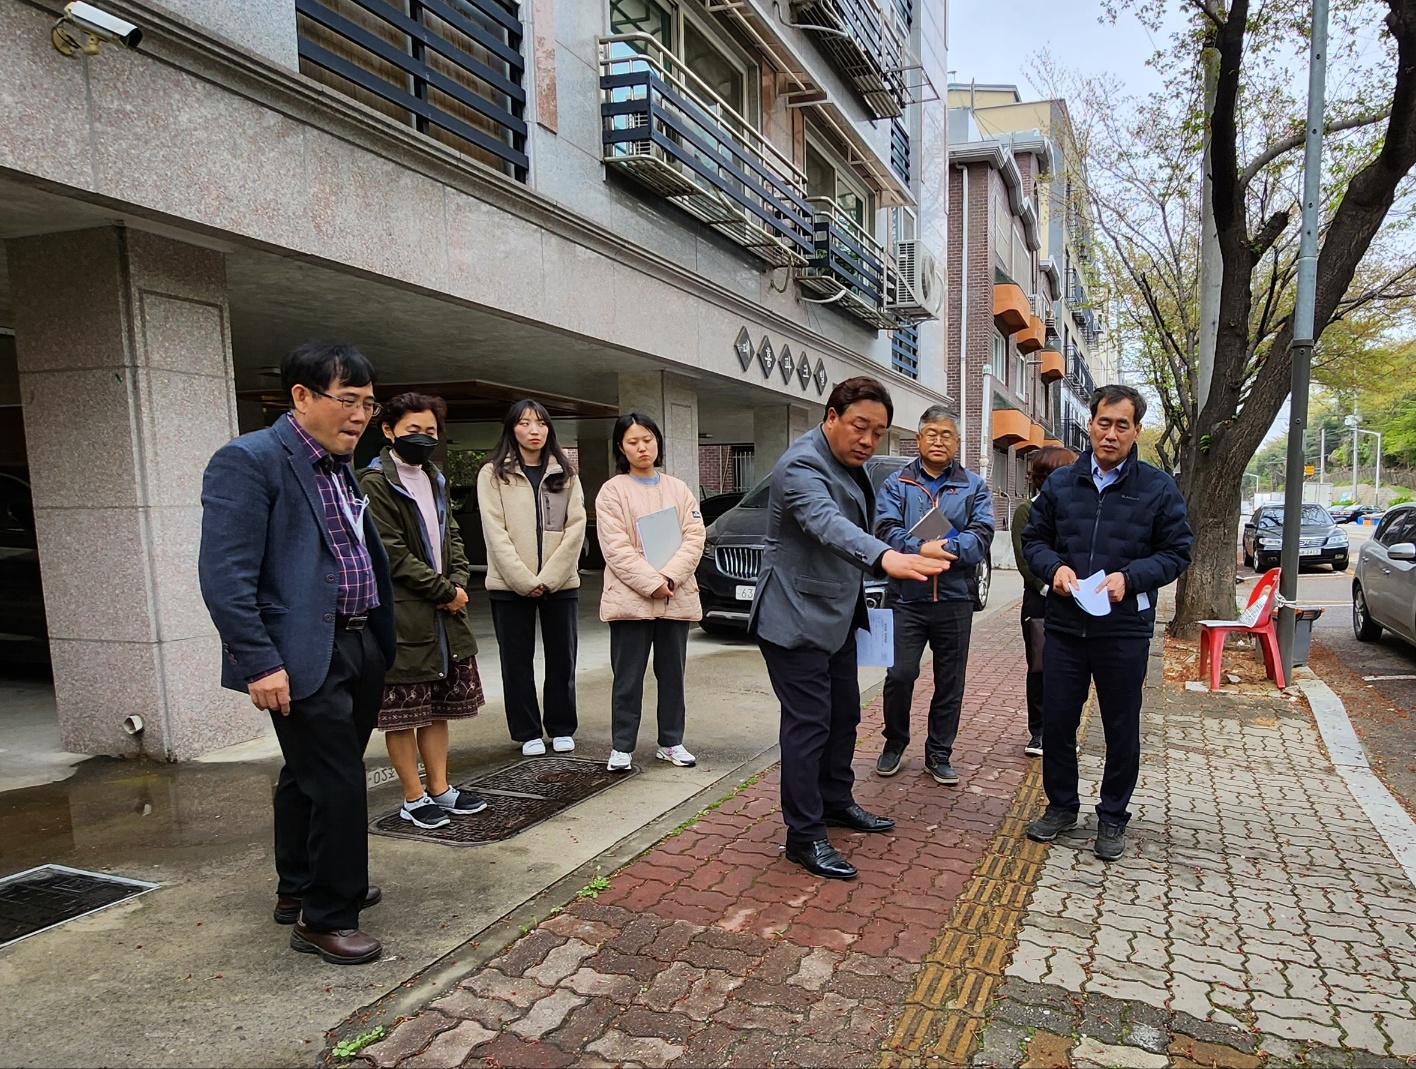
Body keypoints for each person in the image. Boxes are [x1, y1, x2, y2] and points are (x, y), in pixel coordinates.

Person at [199, 341, 395, 965]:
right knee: (337, 778)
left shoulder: (340, 464)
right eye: (348, 401)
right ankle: (326, 915)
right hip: (301, 651)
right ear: (302, 397)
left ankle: (297, 885)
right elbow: (226, 575)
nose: (361, 415)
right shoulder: (248, 461)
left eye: (368, 403)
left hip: (360, 641)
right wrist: (259, 660)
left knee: (307, 772)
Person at [751, 377, 946, 880]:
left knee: (843, 717)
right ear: (831, 415)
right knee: (808, 725)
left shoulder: (848, 463)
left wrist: (909, 545)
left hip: (837, 614)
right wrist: (887, 557)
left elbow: (862, 522)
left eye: (878, 433)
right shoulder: (800, 465)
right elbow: (825, 524)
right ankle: (804, 835)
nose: (867, 440)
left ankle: (836, 802)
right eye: (860, 427)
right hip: (792, 618)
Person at [1022, 384, 1192, 861]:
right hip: (1065, 627)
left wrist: (1131, 579)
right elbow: (1035, 541)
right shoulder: (1061, 484)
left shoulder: (1157, 487)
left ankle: (1113, 815)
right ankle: (1061, 807)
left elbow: (1178, 552)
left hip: (1123, 630)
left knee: (1120, 725)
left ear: (1137, 430)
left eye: (1122, 425)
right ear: (1090, 424)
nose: (1111, 433)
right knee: (1056, 722)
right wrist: (1053, 569)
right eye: (1103, 422)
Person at [360, 393, 488, 830]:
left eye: (431, 431)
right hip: (404, 614)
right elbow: (390, 552)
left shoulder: (435, 477)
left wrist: (457, 581)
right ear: (390, 430)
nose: (423, 438)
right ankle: (412, 796)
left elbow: (451, 534)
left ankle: (440, 787)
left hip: (444, 614)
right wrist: (442, 589)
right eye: (414, 430)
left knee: (436, 709)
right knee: (403, 713)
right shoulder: (374, 483)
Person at [874, 406, 995, 785]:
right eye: (931, 433)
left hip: (956, 598)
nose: (938, 440)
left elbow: (983, 532)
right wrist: (917, 548)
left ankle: (939, 753)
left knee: (950, 681)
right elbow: (884, 529)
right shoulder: (898, 483)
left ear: (957, 442)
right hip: (906, 599)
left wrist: (950, 548)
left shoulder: (973, 486)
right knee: (900, 675)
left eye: (946, 434)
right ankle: (894, 742)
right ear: (918, 438)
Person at [595, 412, 705, 772]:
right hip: (631, 599)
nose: (642, 447)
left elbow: (694, 537)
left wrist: (670, 577)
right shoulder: (613, 491)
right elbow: (616, 547)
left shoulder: (679, 489)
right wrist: (651, 581)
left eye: (647, 439)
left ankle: (671, 741)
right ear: (620, 448)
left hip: (675, 596)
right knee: (627, 677)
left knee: (673, 674)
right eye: (632, 441)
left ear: (658, 443)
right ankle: (622, 745)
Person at [478, 400, 587, 756]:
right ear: (512, 429)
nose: (534, 430)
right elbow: (495, 533)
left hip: (561, 584)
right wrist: (525, 580)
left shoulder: (565, 474)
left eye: (540, 423)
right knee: (516, 661)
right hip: (510, 586)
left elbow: (576, 528)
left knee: (562, 658)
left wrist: (551, 577)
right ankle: (526, 731)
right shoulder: (493, 474)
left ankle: (561, 726)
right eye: (525, 423)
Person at [1013, 445, 1078, 758]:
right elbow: (1026, 560)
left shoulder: (1079, 509)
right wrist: (1051, 587)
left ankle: (1064, 731)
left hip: (1076, 602)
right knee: (1040, 668)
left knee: (1071, 671)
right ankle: (1038, 731)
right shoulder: (1027, 510)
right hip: (1040, 603)